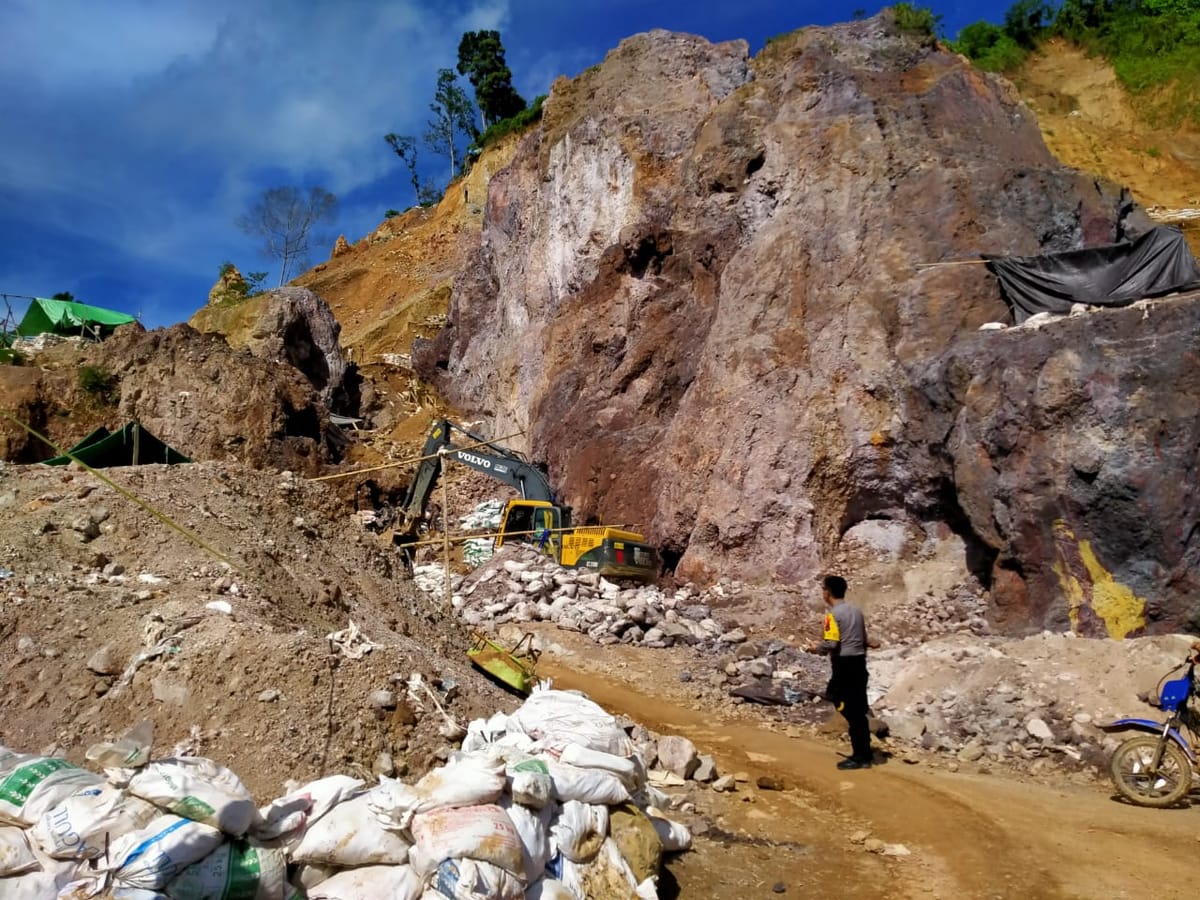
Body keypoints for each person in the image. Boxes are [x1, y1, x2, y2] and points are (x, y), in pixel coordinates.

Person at [814, 574, 873, 770]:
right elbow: (865, 639)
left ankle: (860, 756)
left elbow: (831, 643)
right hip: (859, 663)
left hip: (844, 665)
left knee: (844, 704)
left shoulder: (832, 616)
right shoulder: (857, 611)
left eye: (823, 589)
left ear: (828, 593)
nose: (822, 592)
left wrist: (817, 649)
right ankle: (864, 751)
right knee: (857, 709)